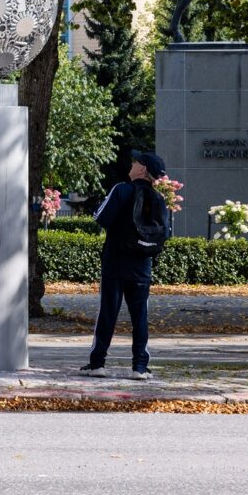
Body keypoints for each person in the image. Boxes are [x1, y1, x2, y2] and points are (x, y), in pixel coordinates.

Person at [80, 150, 169, 380]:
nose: (132, 163)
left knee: (108, 312)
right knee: (140, 316)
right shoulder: (158, 199)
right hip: (142, 267)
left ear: (142, 170)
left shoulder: (121, 190)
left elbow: (100, 217)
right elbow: (165, 233)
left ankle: (97, 364)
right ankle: (139, 367)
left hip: (115, 263)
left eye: (136, 161)